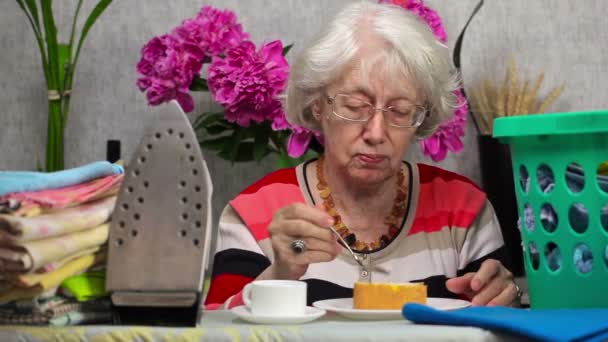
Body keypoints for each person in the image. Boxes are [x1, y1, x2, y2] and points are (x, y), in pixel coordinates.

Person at [204, 1, 520, 310]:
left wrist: (503, 297)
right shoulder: (254, 213)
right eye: (355, 107)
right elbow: (213, 332)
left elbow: (496, 318)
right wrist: (279, 275)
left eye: (400, 111)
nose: (376, 133)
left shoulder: (463, 209)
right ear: (319, 105)